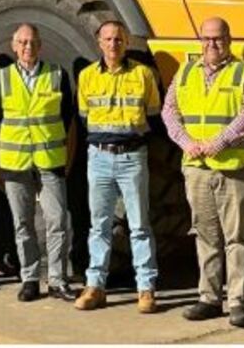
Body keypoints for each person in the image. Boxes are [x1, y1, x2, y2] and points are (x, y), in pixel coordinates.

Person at [162, 17, 244, 328]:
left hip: (234, 169)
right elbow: (170, 111)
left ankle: (237, 302)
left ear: (229, 39)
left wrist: (218, 142)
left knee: (236, 239)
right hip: (197, 169)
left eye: (217, 38)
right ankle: (209, 298)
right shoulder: (186, 71)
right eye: (206, 39)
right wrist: (187, 142)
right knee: (205, 236)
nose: (212, 44)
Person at [0, 23, 77, 303]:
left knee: (58, 219)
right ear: (14, 46)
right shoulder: (2, 79)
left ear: (40, 46)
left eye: (32, 42)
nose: (27, 47)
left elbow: (66, 114)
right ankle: (30, 279)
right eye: (22, 42)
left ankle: (58, 280)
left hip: (49, 160)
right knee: (22, 223)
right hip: (16, 160)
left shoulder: (57, 75)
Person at [74, 20, 161, 314]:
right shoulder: (86, 76)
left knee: (139, 225)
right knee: (98, 225)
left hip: (132, 157)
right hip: (98, 157)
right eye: (108, 39)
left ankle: (146, 289)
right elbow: (85, 115)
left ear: (126, 43)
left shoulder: (143, 74)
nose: (113, 44)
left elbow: (153, 114)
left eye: (119, 39)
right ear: (99, 42)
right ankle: (95, 286)